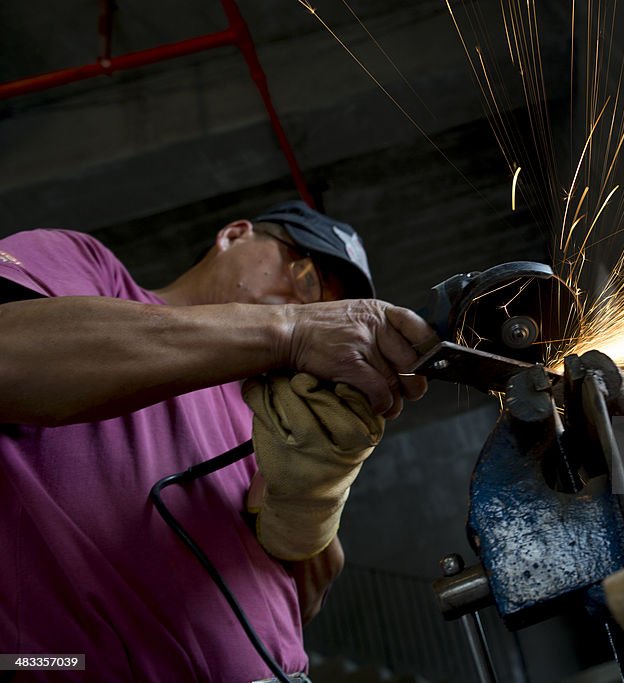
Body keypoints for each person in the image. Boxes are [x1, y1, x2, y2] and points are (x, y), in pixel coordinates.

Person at [0, 201, 436, 682]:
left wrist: (312, 508)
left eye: (321, 308)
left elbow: (300, 604)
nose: (305, 303)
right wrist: (290, 328)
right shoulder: (88, 268)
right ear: (234, 235)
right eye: (306, 276)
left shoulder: (273, 412)